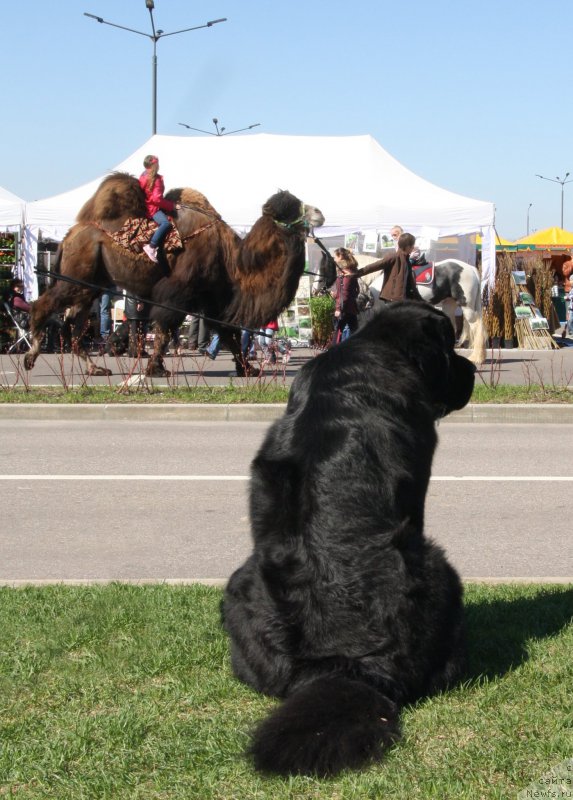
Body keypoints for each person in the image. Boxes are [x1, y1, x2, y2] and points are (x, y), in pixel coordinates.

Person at [355, 232, 423, 304]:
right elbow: (373, 267)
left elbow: (411, 283)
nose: (413, 248)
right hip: (392, 299)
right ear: (407, 247)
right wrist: (356, 274)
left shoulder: (407, 261)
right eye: (412, 246)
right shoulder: (393, 257)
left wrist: (420, 300)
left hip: (402, 300)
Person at [139, 155, 180, 263]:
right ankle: (151, 247)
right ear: (154, 165)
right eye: (157, 163)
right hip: (153, 209)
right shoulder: (156, 180)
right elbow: (157, 200)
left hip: (146, 206)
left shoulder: (143, 176)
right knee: (166, 223)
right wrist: (172, 206)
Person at [330, 248, 359, 345]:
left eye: (335, 257)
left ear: (340, 257)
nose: (334, 259)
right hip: (350, 308)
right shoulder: (349, 271)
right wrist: (336, 293)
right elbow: (350, 291)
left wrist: (338, 308)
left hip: (345, 308)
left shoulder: (346, 273)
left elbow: (345, 293)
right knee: (354, 333)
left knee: (338, 335)